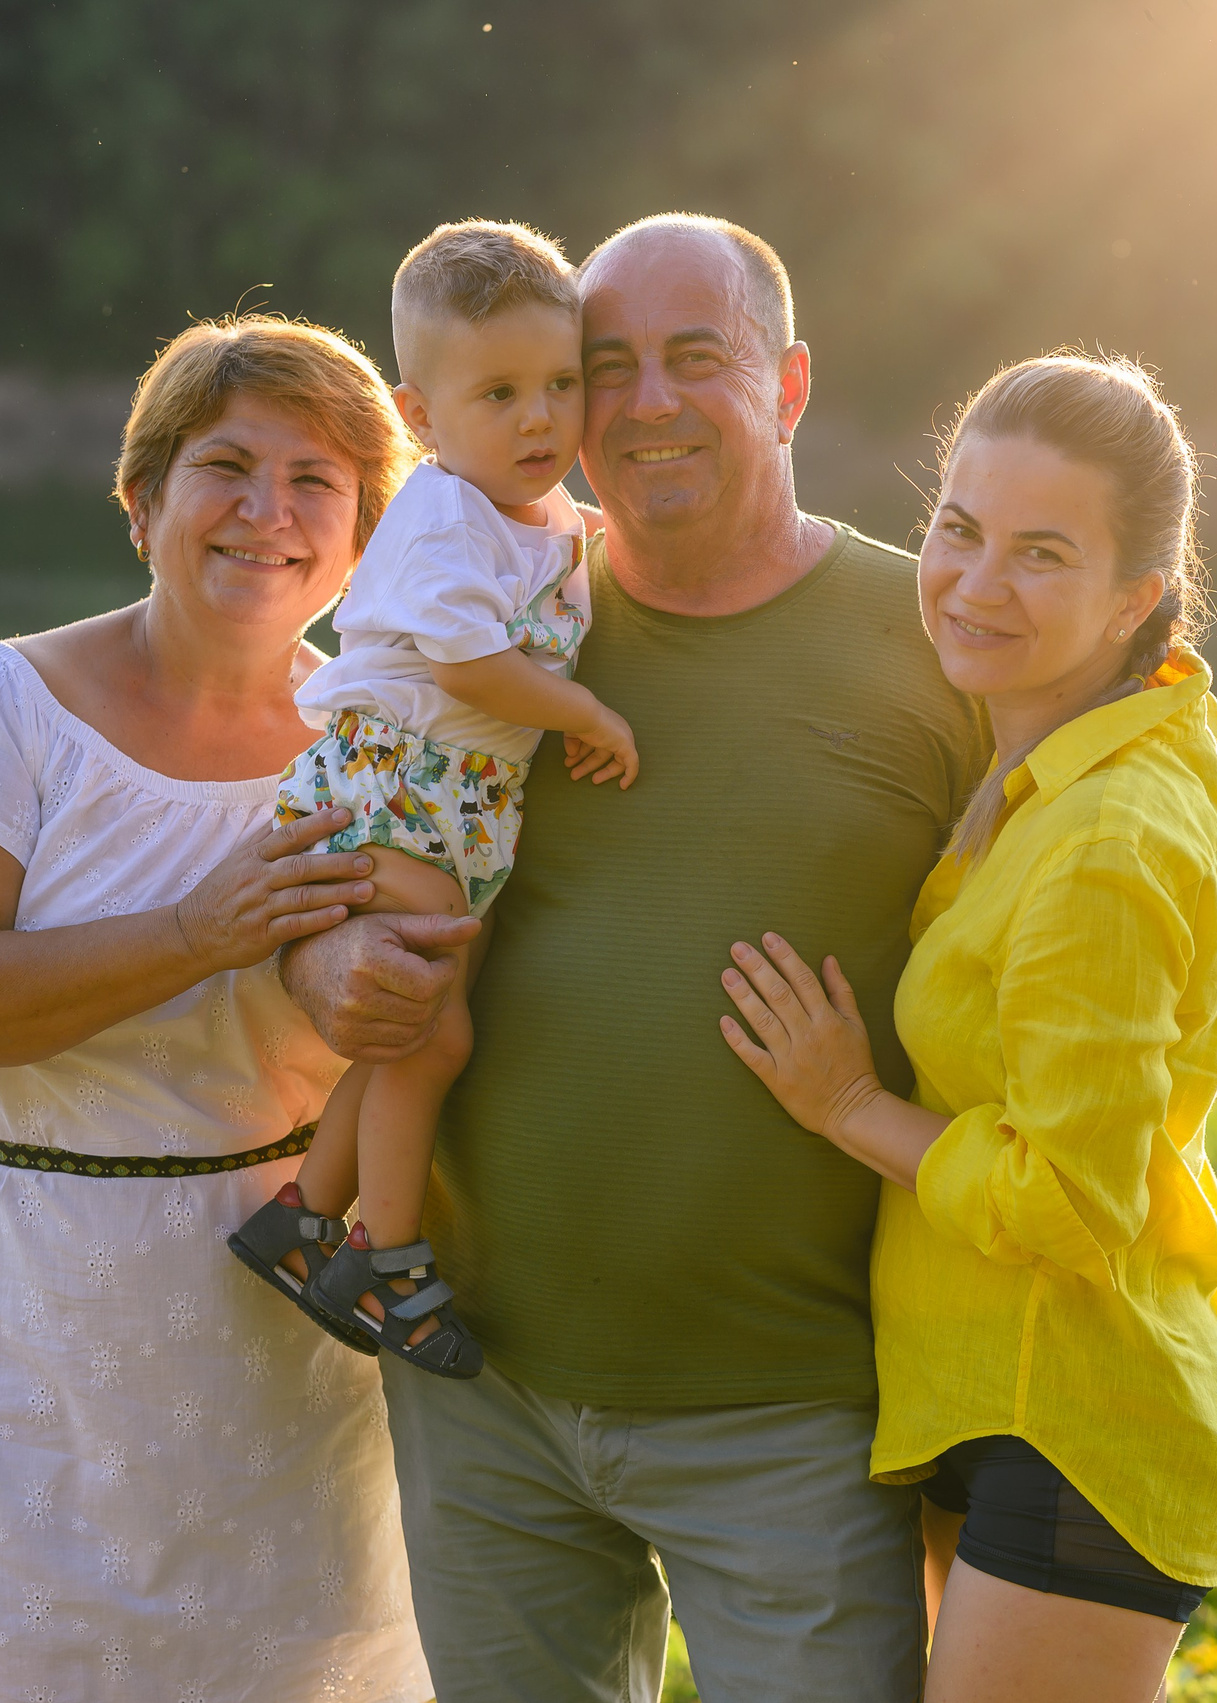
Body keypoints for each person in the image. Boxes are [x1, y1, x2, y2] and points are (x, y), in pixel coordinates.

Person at [281, 214, 992, 1702]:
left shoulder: (933, 637)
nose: (646, 403)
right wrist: (327, 968)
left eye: (698, 359)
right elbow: (321, 862)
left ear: (789, 387)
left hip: (794, 1408)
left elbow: (1049, 964)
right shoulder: (504, 604)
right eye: (608, 367)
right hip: (483, 1393)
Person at [0, 314, 432, 1703]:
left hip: (273, 1316)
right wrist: (193, 933)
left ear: (366, 536)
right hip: (19, 1296)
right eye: (228, 466)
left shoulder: (378, 742)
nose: (268, 513)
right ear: (144, 498)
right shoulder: (2, 700)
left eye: (317, 483)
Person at [718, 353, 1217, 1702]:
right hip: (990, 1388)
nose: (974, 582)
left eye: (1042, 554)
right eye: (958, 529)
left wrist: (850, 1105)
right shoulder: (1079, 739)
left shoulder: (1104, 832)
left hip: (1078, 1410)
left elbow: (1077, 1196)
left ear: (1135, 596)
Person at [226, 221, 636, 1381]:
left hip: (456, 807)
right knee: (428, 1023)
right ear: (418, 417)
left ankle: (301, 1221)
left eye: (561, 384)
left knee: (420, 1022)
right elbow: (466, 664)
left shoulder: (541, 512)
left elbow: (557, 571)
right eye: (499, 393)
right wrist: (589, 717)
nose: (540, 419)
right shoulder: (441, 514)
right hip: (395, 785)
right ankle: (386, 1252)